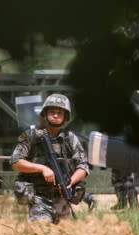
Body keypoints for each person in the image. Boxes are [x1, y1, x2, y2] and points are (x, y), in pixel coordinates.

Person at [10, 93, 89, 223]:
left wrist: (71, 182)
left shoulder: (70, 138)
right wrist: (42, 168)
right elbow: (15, 162)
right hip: (39, 198)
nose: (56, 115)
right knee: (42, 231)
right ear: (45, 113)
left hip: (62, 198)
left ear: (65, 116)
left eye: (60, 112)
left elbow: (83, 166)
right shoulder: (32, 136)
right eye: (52, 111)